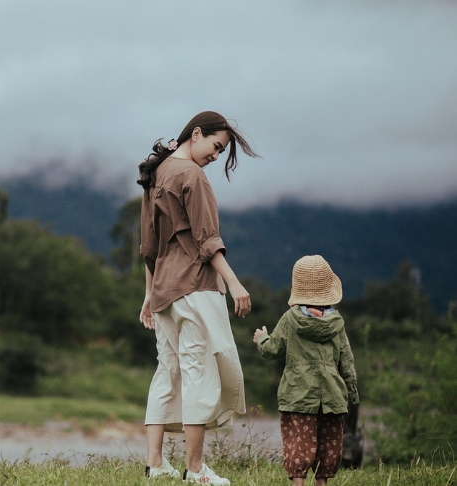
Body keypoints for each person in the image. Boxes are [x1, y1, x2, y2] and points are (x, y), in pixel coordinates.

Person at [138, 111, 259, 484]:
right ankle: (195, 471)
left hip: (164, 291)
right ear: (196, 134)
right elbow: (208, 242)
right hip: (194, 287)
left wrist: (148, 295)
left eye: (221, 151)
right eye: (216, 146)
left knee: (168, 372)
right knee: (199, 373)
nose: (216, 155)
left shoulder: (156, 174)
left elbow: (148, 246)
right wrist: (235, 283)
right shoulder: (192, 176)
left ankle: (156, 464)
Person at [253, 255, 359, 486]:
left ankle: (298, 483)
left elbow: (273, 349)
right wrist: (352, 393)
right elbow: (347, 361)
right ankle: (321, 483)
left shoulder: (290, 319)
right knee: (328, 445)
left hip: (297, 395)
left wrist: (261, 339)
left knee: (299, 444)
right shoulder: (337, 323)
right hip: (331, 396)